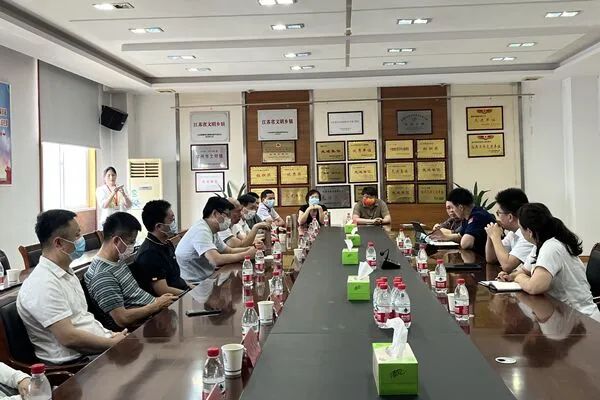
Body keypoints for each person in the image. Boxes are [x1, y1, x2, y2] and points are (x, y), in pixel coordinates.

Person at [17, 210, 126, 365]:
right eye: (77, 235)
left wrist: (111, 336)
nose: (82, 240)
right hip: (75, 363)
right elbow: (69, 338)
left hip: (98, 346)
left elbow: (82, 319)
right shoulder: (42, 284)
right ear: (58, 243)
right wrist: (113, 343)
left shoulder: (66, 272)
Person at [497, 203, 600, 322]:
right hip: (563, 315)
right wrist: (510, 276)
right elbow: (524, 270)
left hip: (582, 320)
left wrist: (518, 278)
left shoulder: (551, 247)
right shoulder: (539, 245)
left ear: (529, 231)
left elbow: (535, 287)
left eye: (521, 228)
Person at [85, 212, 177, 330]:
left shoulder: (117, 260)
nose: (132, 247)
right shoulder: (102, 275)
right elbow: (122, 319)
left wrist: (158, 301)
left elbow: (135, 296)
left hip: (155, 313)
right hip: (142, 328)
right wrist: (156, 305)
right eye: (131, 242)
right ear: (116, 240)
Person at [175, 197, 257, 283]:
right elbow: (215, 259)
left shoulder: (212, 229)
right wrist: (246, 255)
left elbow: (228, 251)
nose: (229, 219)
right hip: (196, 283)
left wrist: (251, 249)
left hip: (209, 277)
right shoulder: (201, 230)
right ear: (215, 213)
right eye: (227, 215)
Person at [131, 200, 190, 296]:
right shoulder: (149, 253)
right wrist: (190, 295)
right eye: (171, 220)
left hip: (181, 292)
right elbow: (162, 290)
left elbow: (176, 279)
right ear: (158, 226)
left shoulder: (165, 244)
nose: (174, 224)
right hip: (171, 300)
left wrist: (193, 289)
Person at [430, 187, 495, 255]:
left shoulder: (478, 216)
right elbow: (460, 236)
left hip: (484, 258)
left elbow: (466, 244)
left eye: (453, 208)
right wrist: (444, 237)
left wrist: (459, 238)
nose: (452, 211)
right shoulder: (467, 216)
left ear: (461, 207)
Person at [485, 188, 534, 272]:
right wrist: (490, 236)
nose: (498, 217)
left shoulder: (528, 235)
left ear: (510, 217)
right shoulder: (513, 233)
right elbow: (491, 259)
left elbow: (507, 265)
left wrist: (495, 237)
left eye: (499, 213)